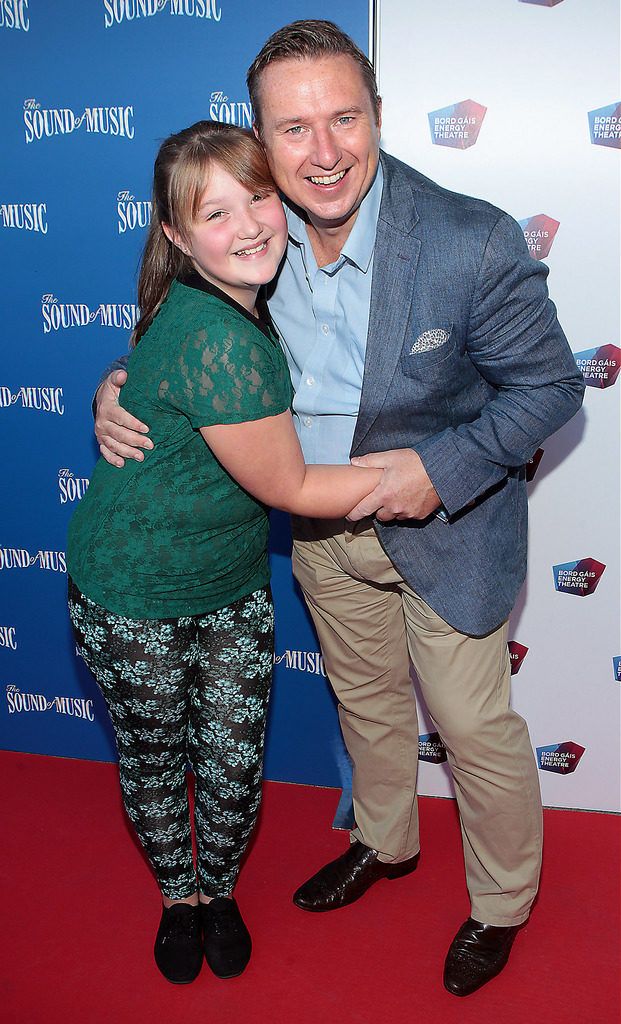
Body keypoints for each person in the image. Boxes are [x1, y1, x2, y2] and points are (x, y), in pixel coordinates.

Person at [94, 21, 585, 996]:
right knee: (364, 703)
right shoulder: (257, 232)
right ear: (262, 138)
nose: (323, 153)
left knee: (472, 726)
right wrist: (114, 387)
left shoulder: (467, 239)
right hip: (320, 536)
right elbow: (184, 337)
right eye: (294, 128)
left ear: (378, 116)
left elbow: (552, 391)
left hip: (447, 530)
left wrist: (436, 470)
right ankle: (384, 841)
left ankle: (500, 903)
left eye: (343, 119)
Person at [67, 119, 382, 987]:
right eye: (214, 213)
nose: (248, 225)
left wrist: (111, 383)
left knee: (234, 759)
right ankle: (182, 899)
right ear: (175, 236)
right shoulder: (217, 334)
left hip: (230, 580)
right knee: (157, 756)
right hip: (131, 589)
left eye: (258, 197)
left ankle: (222, 889)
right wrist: (422, 475)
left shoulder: (234, 298)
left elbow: (149, 378)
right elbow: (293, 489)